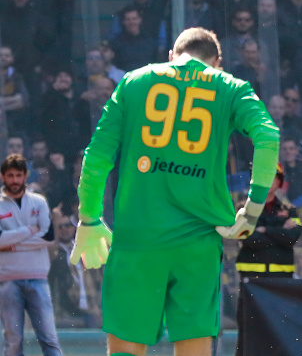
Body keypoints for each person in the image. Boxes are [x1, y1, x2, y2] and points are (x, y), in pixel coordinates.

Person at [69, 27, 280, 356]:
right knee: (193, 347)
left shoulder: (134, 82)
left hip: (138, 240)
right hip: (197, 244)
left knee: (125, 348)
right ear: (218, 62)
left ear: (172, 56)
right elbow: (268, 137)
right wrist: (252, 210)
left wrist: (89, 218)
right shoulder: (232, 87)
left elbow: (96, 158)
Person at [234, 163, 302, 355]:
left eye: (273, 176)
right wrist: (279, 229)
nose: (268, 180)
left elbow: (291, 237)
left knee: (279, 333)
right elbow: (247, 238)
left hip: (280, 285)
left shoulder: (290, 210)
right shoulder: (243, 208)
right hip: (251, 283)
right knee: (247, 334)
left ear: (280, 181)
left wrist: (263, 229)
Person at [0, 153, 62, 356]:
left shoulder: (39, 201)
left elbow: (48, 237)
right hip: (7, 281)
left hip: (38, 279)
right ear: (3, 177)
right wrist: (29, 231)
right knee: (13, 343)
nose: (15, 180)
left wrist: (12, 244)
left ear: (26, 176)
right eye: (10, 175)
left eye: (19, 175)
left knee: (50, 339)